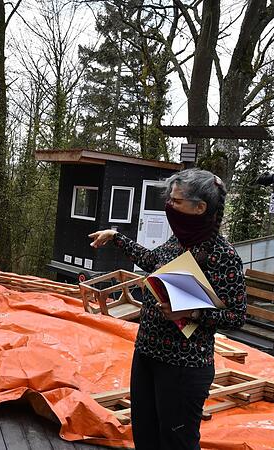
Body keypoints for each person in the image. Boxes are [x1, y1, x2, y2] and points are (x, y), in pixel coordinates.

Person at [88, 168, 246, 450]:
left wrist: (192, 314)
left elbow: (237, 316)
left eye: (176, 202)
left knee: (176, 442)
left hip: (183, 366)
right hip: (147, 353)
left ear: (200, 208)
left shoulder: (222, 255)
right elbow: (153, 260)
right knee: (146, 435)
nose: (168, 207)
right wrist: (116, 237)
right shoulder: (178, 240)